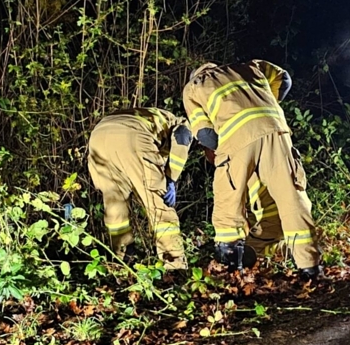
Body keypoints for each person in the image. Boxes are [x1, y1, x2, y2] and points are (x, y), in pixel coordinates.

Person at [183, 60, 322, 279]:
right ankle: (310, 266)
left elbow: (206, 135)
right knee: (292, 197)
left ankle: (231, 268)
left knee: (228, 198)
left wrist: (224, 152)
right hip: (275, 129)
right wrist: (266, 106)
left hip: (235, 137)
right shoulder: (249, 66)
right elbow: (284, 79)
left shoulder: (194, 86)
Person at [87, 107, 192, 270]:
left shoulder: (153, 116)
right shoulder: (183, 124)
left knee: (114, 203)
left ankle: (122, 258)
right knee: (158, 204)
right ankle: (174, 262)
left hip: (98, 138)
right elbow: (182, 137)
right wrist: (171, 178)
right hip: (132, 137)